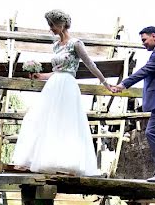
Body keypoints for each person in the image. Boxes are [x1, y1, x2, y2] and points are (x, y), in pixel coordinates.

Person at [12, 9, 112, 176]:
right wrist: (39, 75)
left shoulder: (76, 44)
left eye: (52, 24)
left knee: (66, 123)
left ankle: (67, 164)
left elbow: (90, 65)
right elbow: (56, 71)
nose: (51, 28)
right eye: (49, 25)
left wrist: (105, 83)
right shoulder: (56, 46)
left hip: (67, 86)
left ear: (62, 24)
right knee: (38, 118)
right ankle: (40, 160)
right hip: (53, 85)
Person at [110, 26, 155, 184]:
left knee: (152, 133)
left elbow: (145, 71)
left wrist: (123, 84)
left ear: (154, 36)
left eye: (144, 39)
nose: (143, 43)